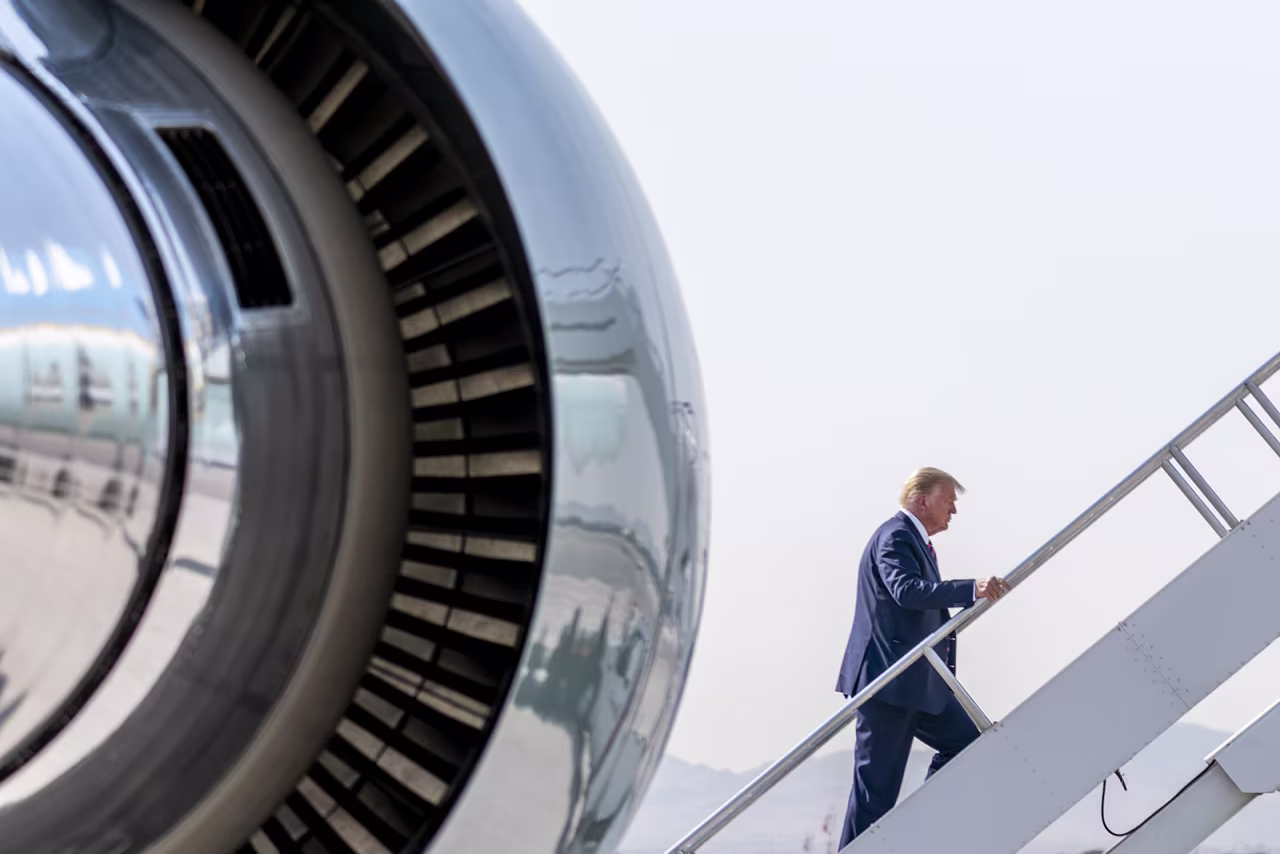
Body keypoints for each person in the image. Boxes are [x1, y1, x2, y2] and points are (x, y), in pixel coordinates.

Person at [834, 467, 1010, 847]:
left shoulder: (913, 541)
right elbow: (906, 591)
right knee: (874, 797)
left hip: (918, 685)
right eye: (949, 500)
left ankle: (918, 827)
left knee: (966, 742)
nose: (954, 511)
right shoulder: (895, 536)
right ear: (922, 499)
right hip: (888, 686)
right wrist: (971, 589)